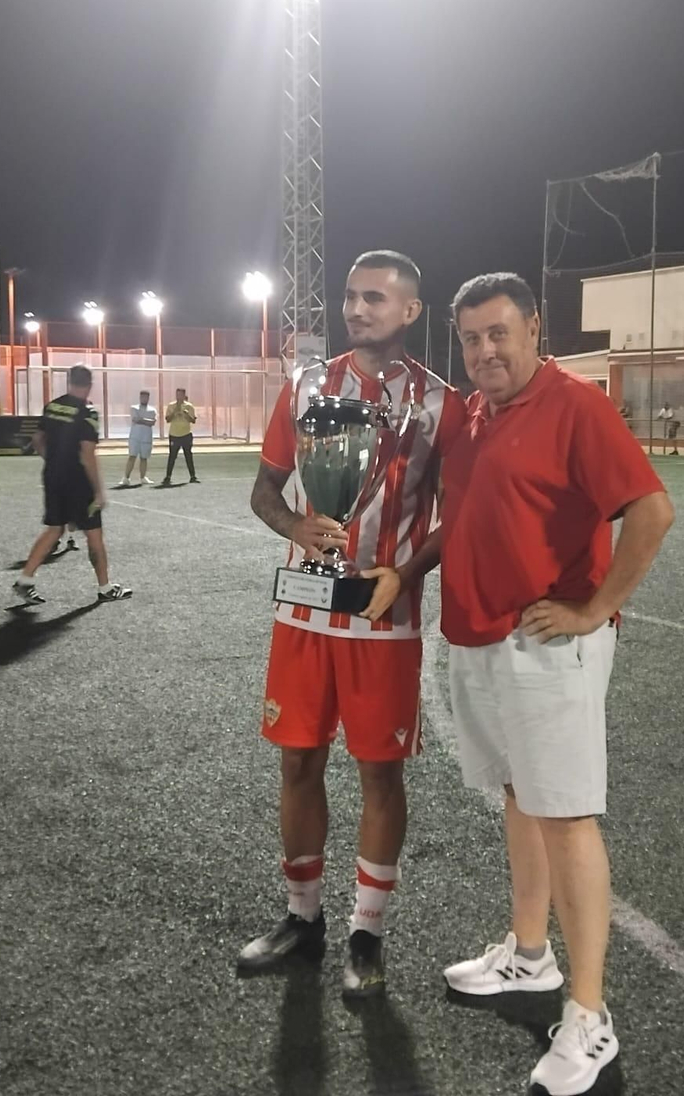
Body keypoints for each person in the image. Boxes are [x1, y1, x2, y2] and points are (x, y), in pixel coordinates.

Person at [438, 273, 673, 1096]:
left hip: (545, 643)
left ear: (535, 329)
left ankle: (589, 1014)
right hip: (481, 638)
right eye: (471, 339)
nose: (485, 351)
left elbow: (652, 510)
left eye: (498, 333)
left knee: (567, 816)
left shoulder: (576, 405)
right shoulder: (474, 413)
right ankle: (530, 956)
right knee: (520, 796)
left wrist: (596, 609)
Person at [239, 249, 464, 997]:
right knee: (297, 763)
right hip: (305, 611)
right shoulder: (306, 385)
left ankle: (366, 935)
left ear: (410, 311)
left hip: (382, 614)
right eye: (350, 297)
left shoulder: (440, 405)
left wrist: (407, 571)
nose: (357, 309)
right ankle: (302, 918)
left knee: (379, 772)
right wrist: (295, 529)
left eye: (375, 298)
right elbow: (265, 492)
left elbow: (456, 518)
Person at [13, 364, 131, 605]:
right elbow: (87, 454)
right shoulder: (88, 412)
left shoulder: (52, 406)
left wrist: (52, 460)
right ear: (90, 384)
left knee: (54, 529)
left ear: (69, 381)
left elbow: (37, 438)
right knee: (94, 534)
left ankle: (25, 580)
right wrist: (99, 491)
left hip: (52, 476)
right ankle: (105, 587)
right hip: (78, 482)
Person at [157, 387, 198, 486]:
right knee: (172, 456)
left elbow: (193, 420)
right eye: (177, 394)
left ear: (184, 396)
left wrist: (186, 414)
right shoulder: (171, 406)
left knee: (188, 455)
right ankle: (168, 477)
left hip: (186, 434)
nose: (178, 397)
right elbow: (168, 419)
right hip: (174, 435)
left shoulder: (189, 406)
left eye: (180, 395)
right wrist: (175, 412)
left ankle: (193, 476)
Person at [119, 389, 156, 488]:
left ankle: (143, 477)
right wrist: (146, 421)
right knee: (132, 456)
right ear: (140, 398)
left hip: (146, 437)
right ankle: (126, 478)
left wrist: (142, 420)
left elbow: (152, 422)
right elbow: (135, 419)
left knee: (144, 458)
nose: (144, 399)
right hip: (135, 437)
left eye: (146, 397)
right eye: (142, 397)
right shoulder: (134, 408)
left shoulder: (152, 410)